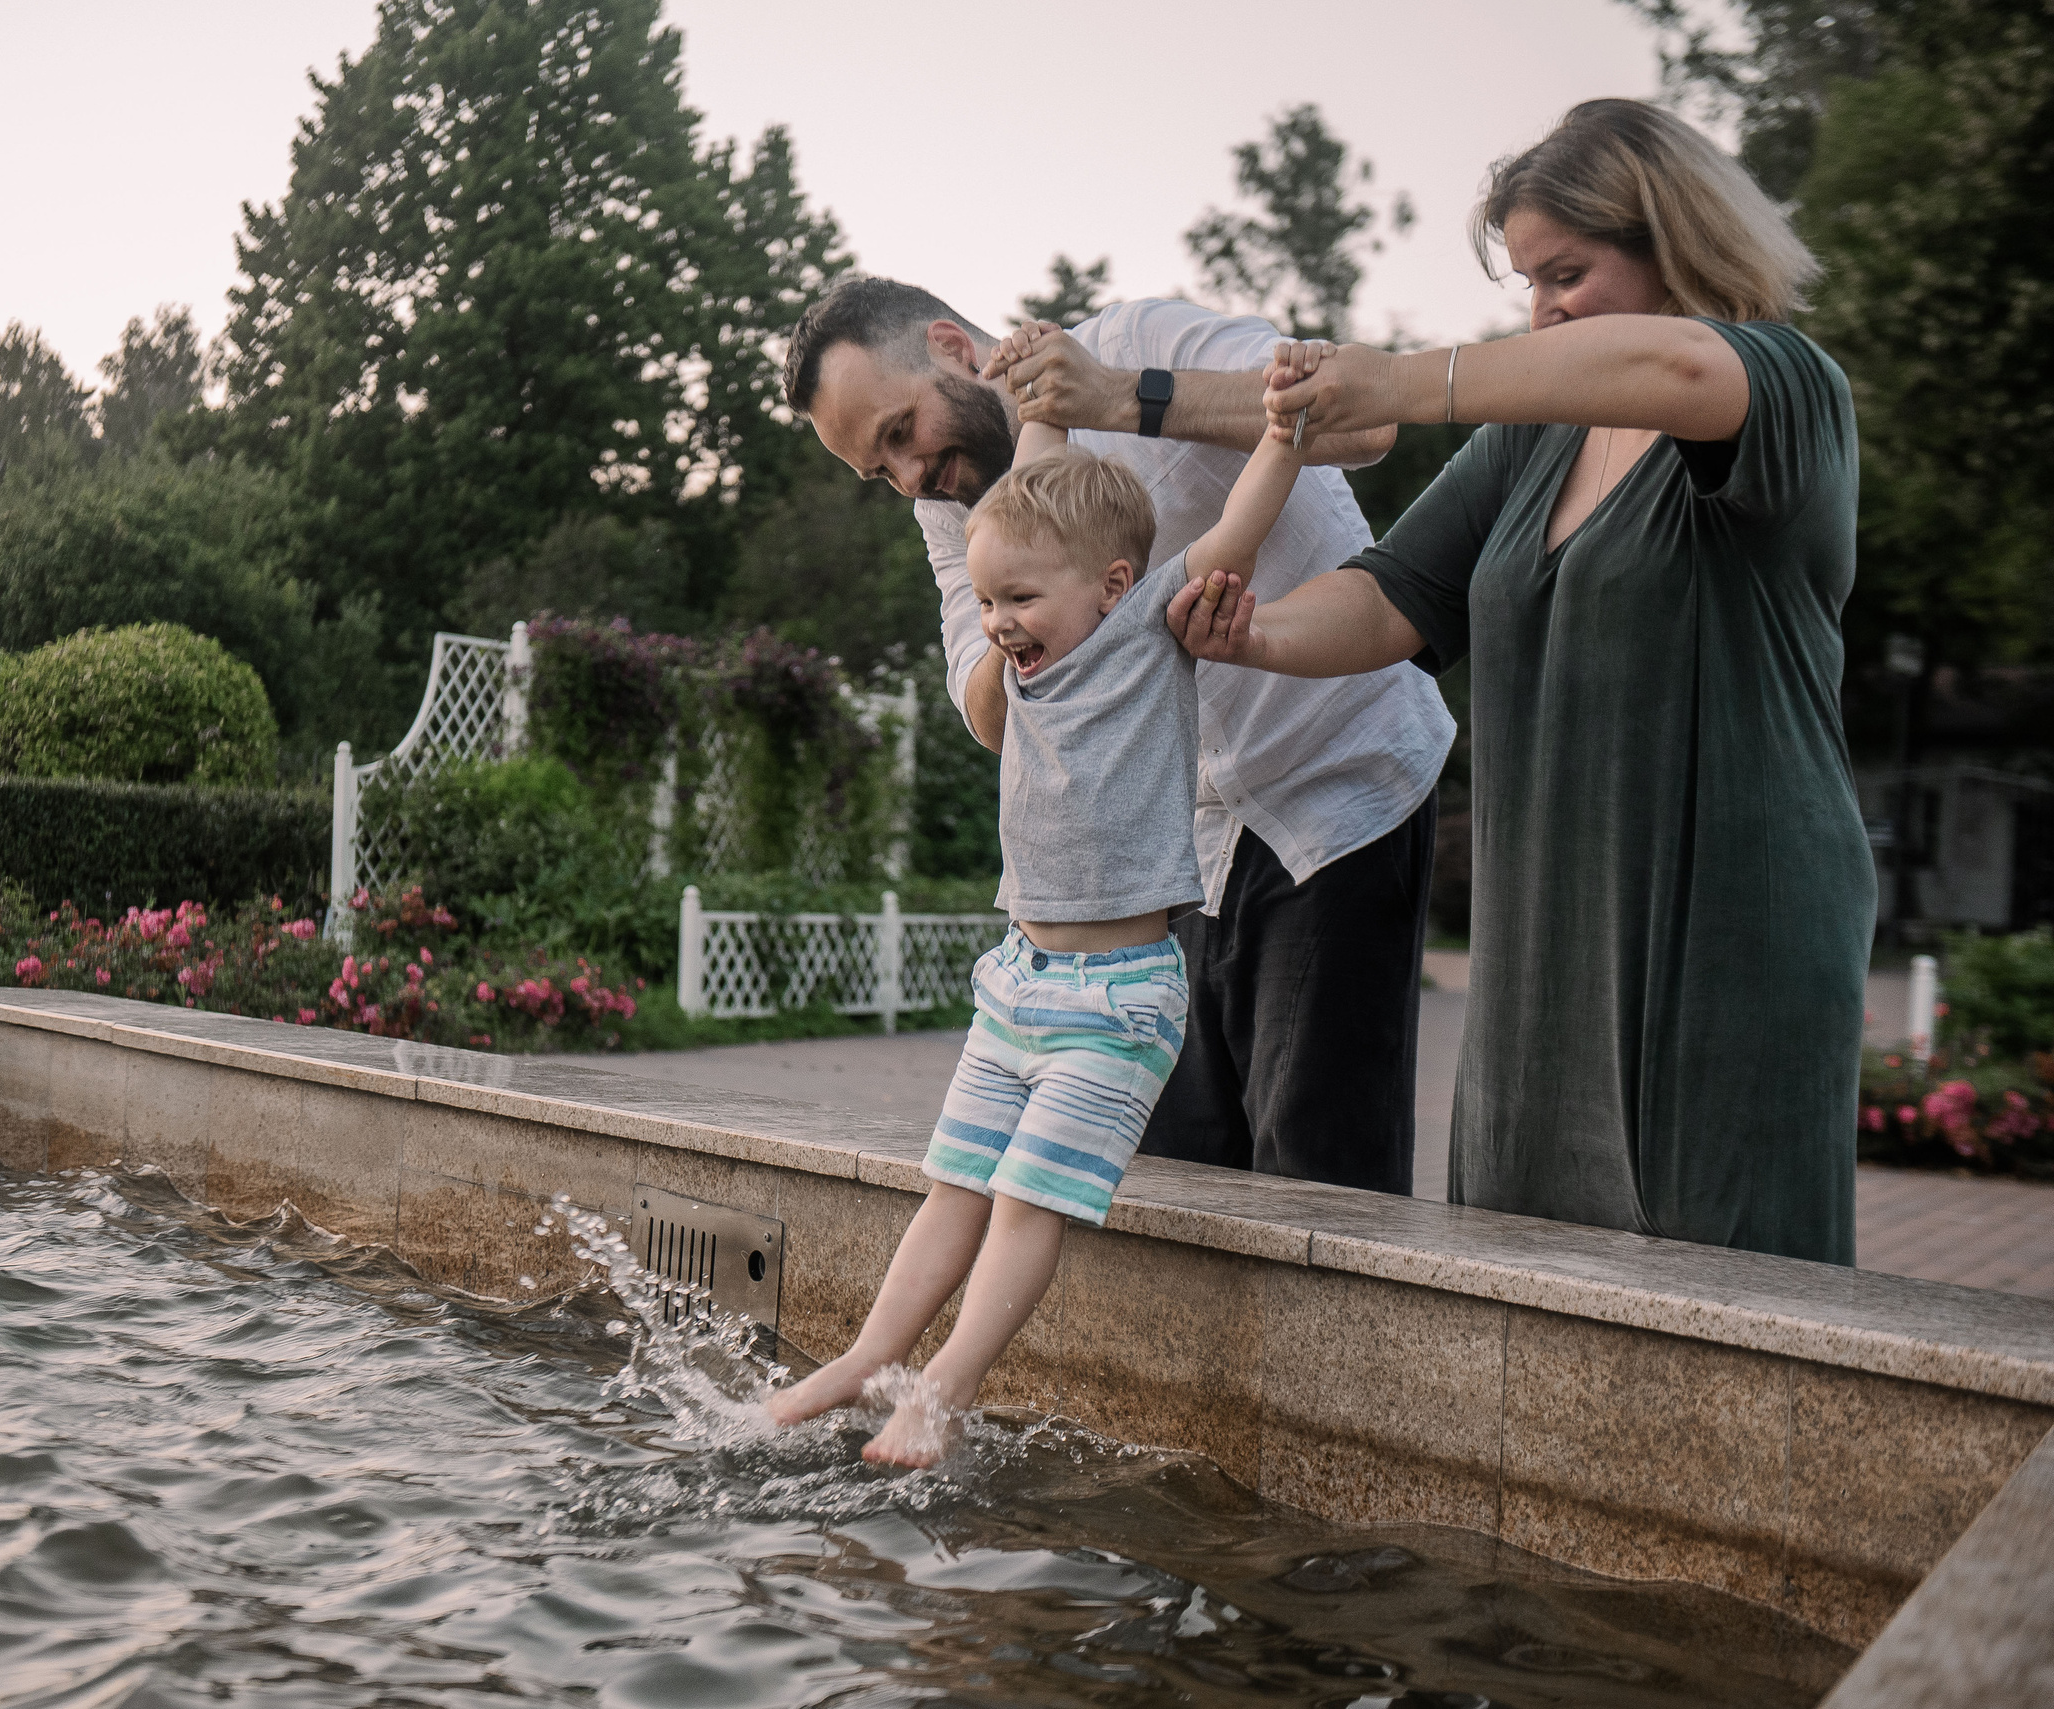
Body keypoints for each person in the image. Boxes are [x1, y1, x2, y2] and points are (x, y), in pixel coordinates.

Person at [1174, 99, 1874, 1264]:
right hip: (1547, 923)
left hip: (1720, 919)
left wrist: (1399, 381)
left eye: (1567, 273)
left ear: (1675, 241)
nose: (1542, 310)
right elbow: (1393, 595)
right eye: (1526, 285)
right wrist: (1248, 635)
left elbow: (1678, 360)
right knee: (1527, 1258)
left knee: (1715, 1279)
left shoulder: (1781, 385)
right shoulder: (1534, 436)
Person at [782, 280, 1453, 1195]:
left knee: (1316, 1175)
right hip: (1166, 853)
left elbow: (1363, 425)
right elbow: (983, 712)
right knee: (1163, 1182)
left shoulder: (1141, 335)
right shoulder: (954, 512)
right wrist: (1023, 617)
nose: (907, 478)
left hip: (1333, 789)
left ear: (949, 347)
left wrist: (1120, 396)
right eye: (878, 471)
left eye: (901, 434)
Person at [768, 419, 1314, 1467]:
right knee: (954, 1184)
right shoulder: (1024, 656)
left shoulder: (1151, 623)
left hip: (1116, 999)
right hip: (1014, 984)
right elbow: (1030, 491)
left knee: (1025, 1197)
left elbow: (1237, 530)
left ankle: (945, 1386)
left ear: (1110, 583)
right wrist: (1037, 404)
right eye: (985, 600)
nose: (997, 624)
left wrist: (1284, 434)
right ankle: (866, 1358)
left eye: (1017, 600)